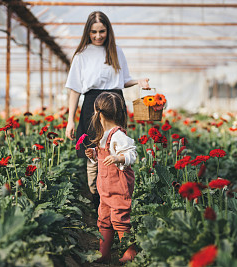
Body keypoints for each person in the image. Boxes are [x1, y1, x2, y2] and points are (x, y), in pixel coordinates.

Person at [65, 11, 149, 212]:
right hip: (93, 105)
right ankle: (98, 199)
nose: (98, 36)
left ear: (108, 31)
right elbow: (75, 89)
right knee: (94, 153)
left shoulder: (116, 51)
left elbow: (123, 80)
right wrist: (70, 120)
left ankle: (118, 196)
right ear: (88, 32)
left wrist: (139, 81)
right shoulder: (81, 55)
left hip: (115, 102)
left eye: (102, 31)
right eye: (93, 32)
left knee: (116, 147)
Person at [85, 92, 137, 263]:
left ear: (98, 114)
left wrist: (119, 158)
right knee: (104, 220)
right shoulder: (104, 135)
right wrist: (93, 154)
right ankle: (104, 253)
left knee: (120, 219)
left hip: (118, 188)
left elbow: (132, 154)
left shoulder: (118, 136)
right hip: (105, 190)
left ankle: (130, 252)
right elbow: (102, 159)